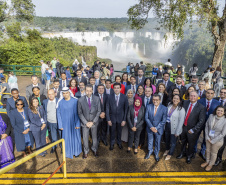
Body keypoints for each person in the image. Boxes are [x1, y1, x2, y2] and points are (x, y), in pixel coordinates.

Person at [176, 91, 206, 164]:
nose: (192, 97)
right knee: (183, 142)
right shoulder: (185, 103)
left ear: (197, 97)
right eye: (191, 96)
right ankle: (182, 153)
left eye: (194, 96)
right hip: (183, 127)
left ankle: (189, 156)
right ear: (189, 96)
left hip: (192, 130)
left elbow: (201, 121)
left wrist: (194, 129)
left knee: (191, 144)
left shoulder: (201, 107)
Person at [57, 87, 82, 159]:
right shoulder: (60, 102)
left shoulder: (75, 101)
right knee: (66, 138)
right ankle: (68, 152)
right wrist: (60, 125)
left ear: (69, 93)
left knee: (75, 138)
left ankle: (76, 152)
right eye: (63, 93)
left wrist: (77, 123)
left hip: (74, 123)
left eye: (66, 93)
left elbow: (78, 113)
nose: (65, 95)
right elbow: (58, 114)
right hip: (65, 124)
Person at [196, 89, 220, 160]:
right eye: (208, 93)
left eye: (211, 93)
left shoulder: (217, 103)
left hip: (210, 124)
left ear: (214, 94)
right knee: (196, 137)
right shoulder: (200, 101)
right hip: (199, 122)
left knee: (206, 138)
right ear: (205, 93)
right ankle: (193, 150)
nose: (209, 94)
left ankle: (202, 152)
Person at [78, 85, 101, 158]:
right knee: (85, 138)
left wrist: (93, 122)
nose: (88, 92)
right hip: (85, 123)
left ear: (92, 91)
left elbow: (99, 111)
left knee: (94, 137)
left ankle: (95, 149)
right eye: (87, 90)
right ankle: (86, 151)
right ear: (85, 90)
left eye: (90, 91)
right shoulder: (80, 100)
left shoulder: (97, 99)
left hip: (94, 122)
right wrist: (86, 122)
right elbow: (80, 113)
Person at [201, 106, 226, 171]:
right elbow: (206, 126)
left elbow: (223, 133)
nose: (219, 112)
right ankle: (207, 161)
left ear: (224, 112)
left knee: (213, 153)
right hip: (208, 138)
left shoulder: (225, 120)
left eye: (221, 111)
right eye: (218, 110)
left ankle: (210, 164)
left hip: (217, 140)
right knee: (208, 151)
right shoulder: (211, 116)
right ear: (216, 110)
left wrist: (213, 140)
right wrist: (207, 136)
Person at [144, 94, 167, 161]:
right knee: (150, 141)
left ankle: (156, 153)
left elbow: (164, 120)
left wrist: (156, 128)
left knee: (157, 141)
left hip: (158, 129)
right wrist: (151, 127)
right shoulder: (148, 106)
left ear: (160, 100)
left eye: (156, 100)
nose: (155, 101)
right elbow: (146, 118)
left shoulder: (164, 108)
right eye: (153, 99)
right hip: (150, 128)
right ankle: (150, 151)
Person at [106, 83, 128, 150]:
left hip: (120, 118)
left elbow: (126, 109)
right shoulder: (109, 97)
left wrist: (124, 120)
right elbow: (107, 108)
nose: (116, 89)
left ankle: (119, 143)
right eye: (115, 88)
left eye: (118, 88)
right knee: (112, 132)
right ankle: (112, 143)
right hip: (112, 118)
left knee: (119, 132)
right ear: (113, 89)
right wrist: (108, 119)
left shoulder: (124, 97)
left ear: (120, 89)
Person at [164, 94, 185, 160]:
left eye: (177, 99)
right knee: (167, 140)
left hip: (175, 128)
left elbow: (181, 121)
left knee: (173, 142)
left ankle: (170, 153)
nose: (175, 100)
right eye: (174, 98)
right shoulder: (169, 106)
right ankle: (167, 149)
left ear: (179, 100)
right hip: (167, 125)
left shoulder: (181, 109)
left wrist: (178, 132)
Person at [43, 89, 61, 153]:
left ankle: (62, 147)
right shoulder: (45, 102)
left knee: (61, 135)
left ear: (55, 94)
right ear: (47, 95)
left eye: (52, 94)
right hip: (50, 122)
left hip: (59, 122)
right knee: (53, 136)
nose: (50, 96)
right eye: (49, 94)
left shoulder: (59, 101)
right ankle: (54, 147)